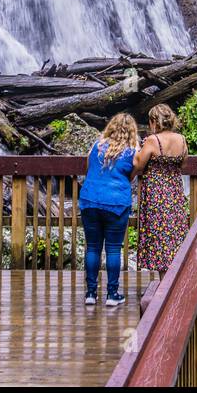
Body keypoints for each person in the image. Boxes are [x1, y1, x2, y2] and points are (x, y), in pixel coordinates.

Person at [78, 113, 138, 307]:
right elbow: (132, 175)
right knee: (113, 248)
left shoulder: (97, 145)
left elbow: (88, 168)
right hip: (116, 202)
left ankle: (91, 293)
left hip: (90, 199)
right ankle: (112, 294)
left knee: (93, 247)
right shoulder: (132, 151)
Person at [133, 104, 189, 279]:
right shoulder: (181, 139)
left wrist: (136, 150)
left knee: (158, 236)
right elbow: (183, 164)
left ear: (154, 121)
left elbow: (139, 164)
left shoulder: (152, 140)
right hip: (175, 191)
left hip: (157, 193)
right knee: (174, 232)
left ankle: (164, 281)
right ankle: (174, 276)